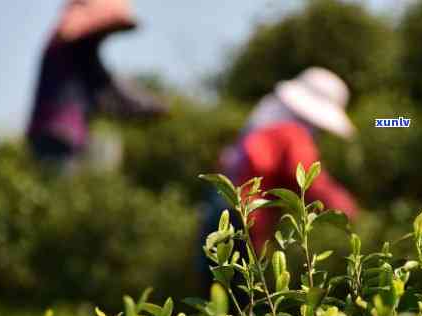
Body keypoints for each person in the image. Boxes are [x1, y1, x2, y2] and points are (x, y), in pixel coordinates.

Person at [200, 67, 359, 283]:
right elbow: (306, 178)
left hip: (221, 206)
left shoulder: (266, 115)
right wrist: (344, 207)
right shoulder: (292, 132)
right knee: (242, 298)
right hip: (242, 215)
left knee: (218, 291)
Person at [27, 0, 166, 171]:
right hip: (61, 132)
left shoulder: (61, 44)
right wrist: (150, 105)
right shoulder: (77, 47)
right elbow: (109, 87)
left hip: (49, 131)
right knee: (60, 185)